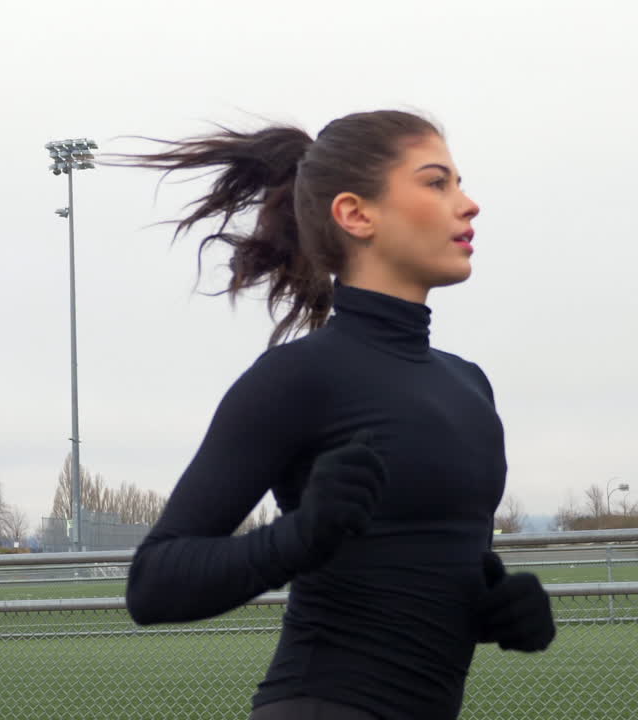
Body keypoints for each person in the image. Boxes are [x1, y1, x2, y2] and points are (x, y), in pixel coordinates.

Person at [112, 110, 556, 720]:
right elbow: (153, 583)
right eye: (437, 182)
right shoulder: (297, 377)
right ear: (355, 214)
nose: (469, 203)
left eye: (459, 182)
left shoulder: (469, 385)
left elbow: (410, 572)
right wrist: (298, 537)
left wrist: (493, 606)